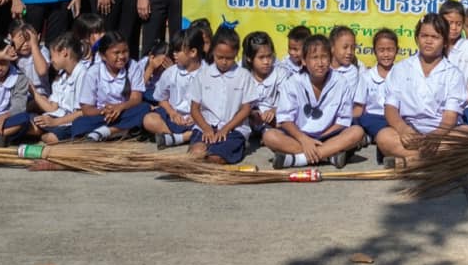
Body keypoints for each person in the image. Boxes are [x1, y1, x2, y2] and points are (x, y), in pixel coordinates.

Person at [377, 13, 468, 164]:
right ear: (417, 38)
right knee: (383, 136)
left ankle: (413, 161)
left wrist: (437, 135)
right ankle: (434, 161)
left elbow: (450, 116)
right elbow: (390, 108)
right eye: (424, 36)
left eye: (435, 37)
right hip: (411, 133)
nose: (428, 41)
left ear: (445, 42)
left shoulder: (453, 73)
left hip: (442, 134)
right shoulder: (401, 69)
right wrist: (403, 129)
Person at [267, 34, 365, 168]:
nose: (320, 63)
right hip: (299, 137)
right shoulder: (292, 83)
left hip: (329, 135)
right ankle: (329, 156)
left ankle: (298, 160)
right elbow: (284, 119)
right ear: (304, 61)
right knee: (270, 136)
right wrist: (304, 139)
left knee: (357, 132)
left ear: (330, 59)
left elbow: (343, 120)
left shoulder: (340, 82)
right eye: (314, 58)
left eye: (324, 57)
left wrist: (319, 139)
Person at [188, 29, 254, 163]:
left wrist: (226, 129)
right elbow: (194, 109)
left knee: (216, 158)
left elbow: (246, 109)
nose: (224, 62)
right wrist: (206, 128)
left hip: (234, 129)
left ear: (236, 53)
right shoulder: (203, 75)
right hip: (205, 126)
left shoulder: (244, 76)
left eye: (229, 58)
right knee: (197, 153)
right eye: (220, 57)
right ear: (212, 52)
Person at [140, 30, 207, 147]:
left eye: (178, 51)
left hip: (199, 119)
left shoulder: (209, 73)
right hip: (174, 117)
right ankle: (183, 136)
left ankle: (178, 138)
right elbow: (162, 99)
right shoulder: (170, 72)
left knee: (215, 123)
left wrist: (196, 116)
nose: (174, 54)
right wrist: (172, 113)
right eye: (174, 51)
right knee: (149, 119)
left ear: (193, 52)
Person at [352, 28, 399, 147]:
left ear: (397, 51)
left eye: (390, 50)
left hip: (395, 118)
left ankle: (373, 138)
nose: (386, 54)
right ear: (374, 51)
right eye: (381, 50)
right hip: (373, 117)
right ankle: (374, 137)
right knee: (361, 121)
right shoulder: (366, 76)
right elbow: (359, 108)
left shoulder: (402, 74)